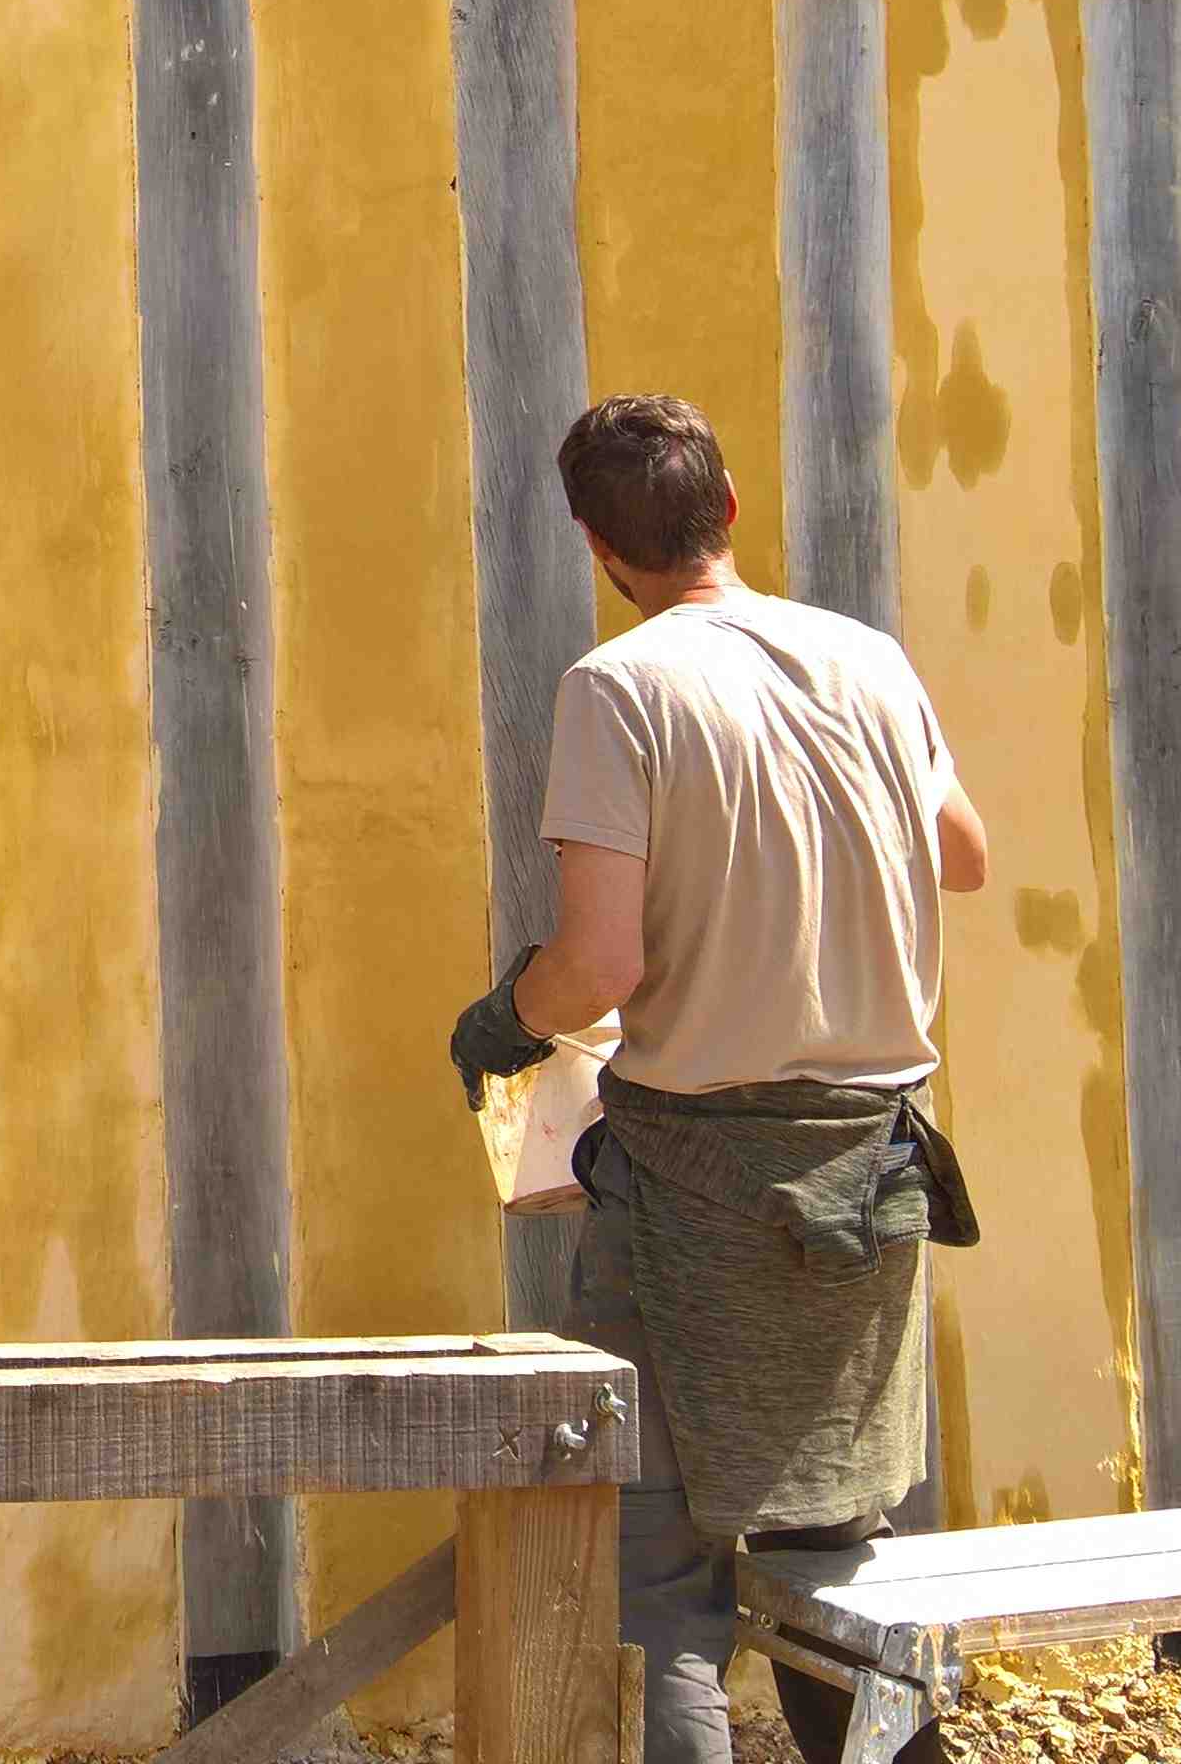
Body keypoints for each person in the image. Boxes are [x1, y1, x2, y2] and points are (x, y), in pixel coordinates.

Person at [450, 396, 989, 1764]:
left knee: (662, 1590)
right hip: (868, 1176)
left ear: (597, 546)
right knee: (835, 1559)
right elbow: (964, 853)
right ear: (730, 505)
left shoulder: (617, 687)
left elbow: (600, 965)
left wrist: (506, 1017)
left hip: (695, 1187)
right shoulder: (867, 659)